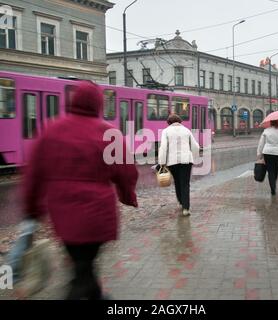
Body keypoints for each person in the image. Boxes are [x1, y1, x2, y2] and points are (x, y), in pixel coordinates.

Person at [22, 81, 138, 300]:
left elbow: (33, 174)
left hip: (63, 217)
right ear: (99, 104)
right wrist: (127, 196)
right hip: (98, 216)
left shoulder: (52, 130)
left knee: (81, 268)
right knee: (83, 270)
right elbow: (126, 172)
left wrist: (32, 210)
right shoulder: (108, 133)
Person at [158, 113, 199, 216]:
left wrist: (162, 163)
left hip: (172, 162)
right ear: (179, 121)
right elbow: (195, 147)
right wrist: (194, 157)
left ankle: (181, 202)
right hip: (186, 161)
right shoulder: (186, 130)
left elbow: (163, 148)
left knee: (177, 182)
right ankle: (186, 208)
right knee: (185, 184)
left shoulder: (166, 131)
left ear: (169, 122)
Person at [257, 119, 278, 196]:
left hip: (268, 153)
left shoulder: (266, 131)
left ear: (270, 123)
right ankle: (274, 184)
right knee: (276, 169)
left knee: (270, 170)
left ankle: (273, 188)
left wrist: (259, 153)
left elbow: (261, 143)